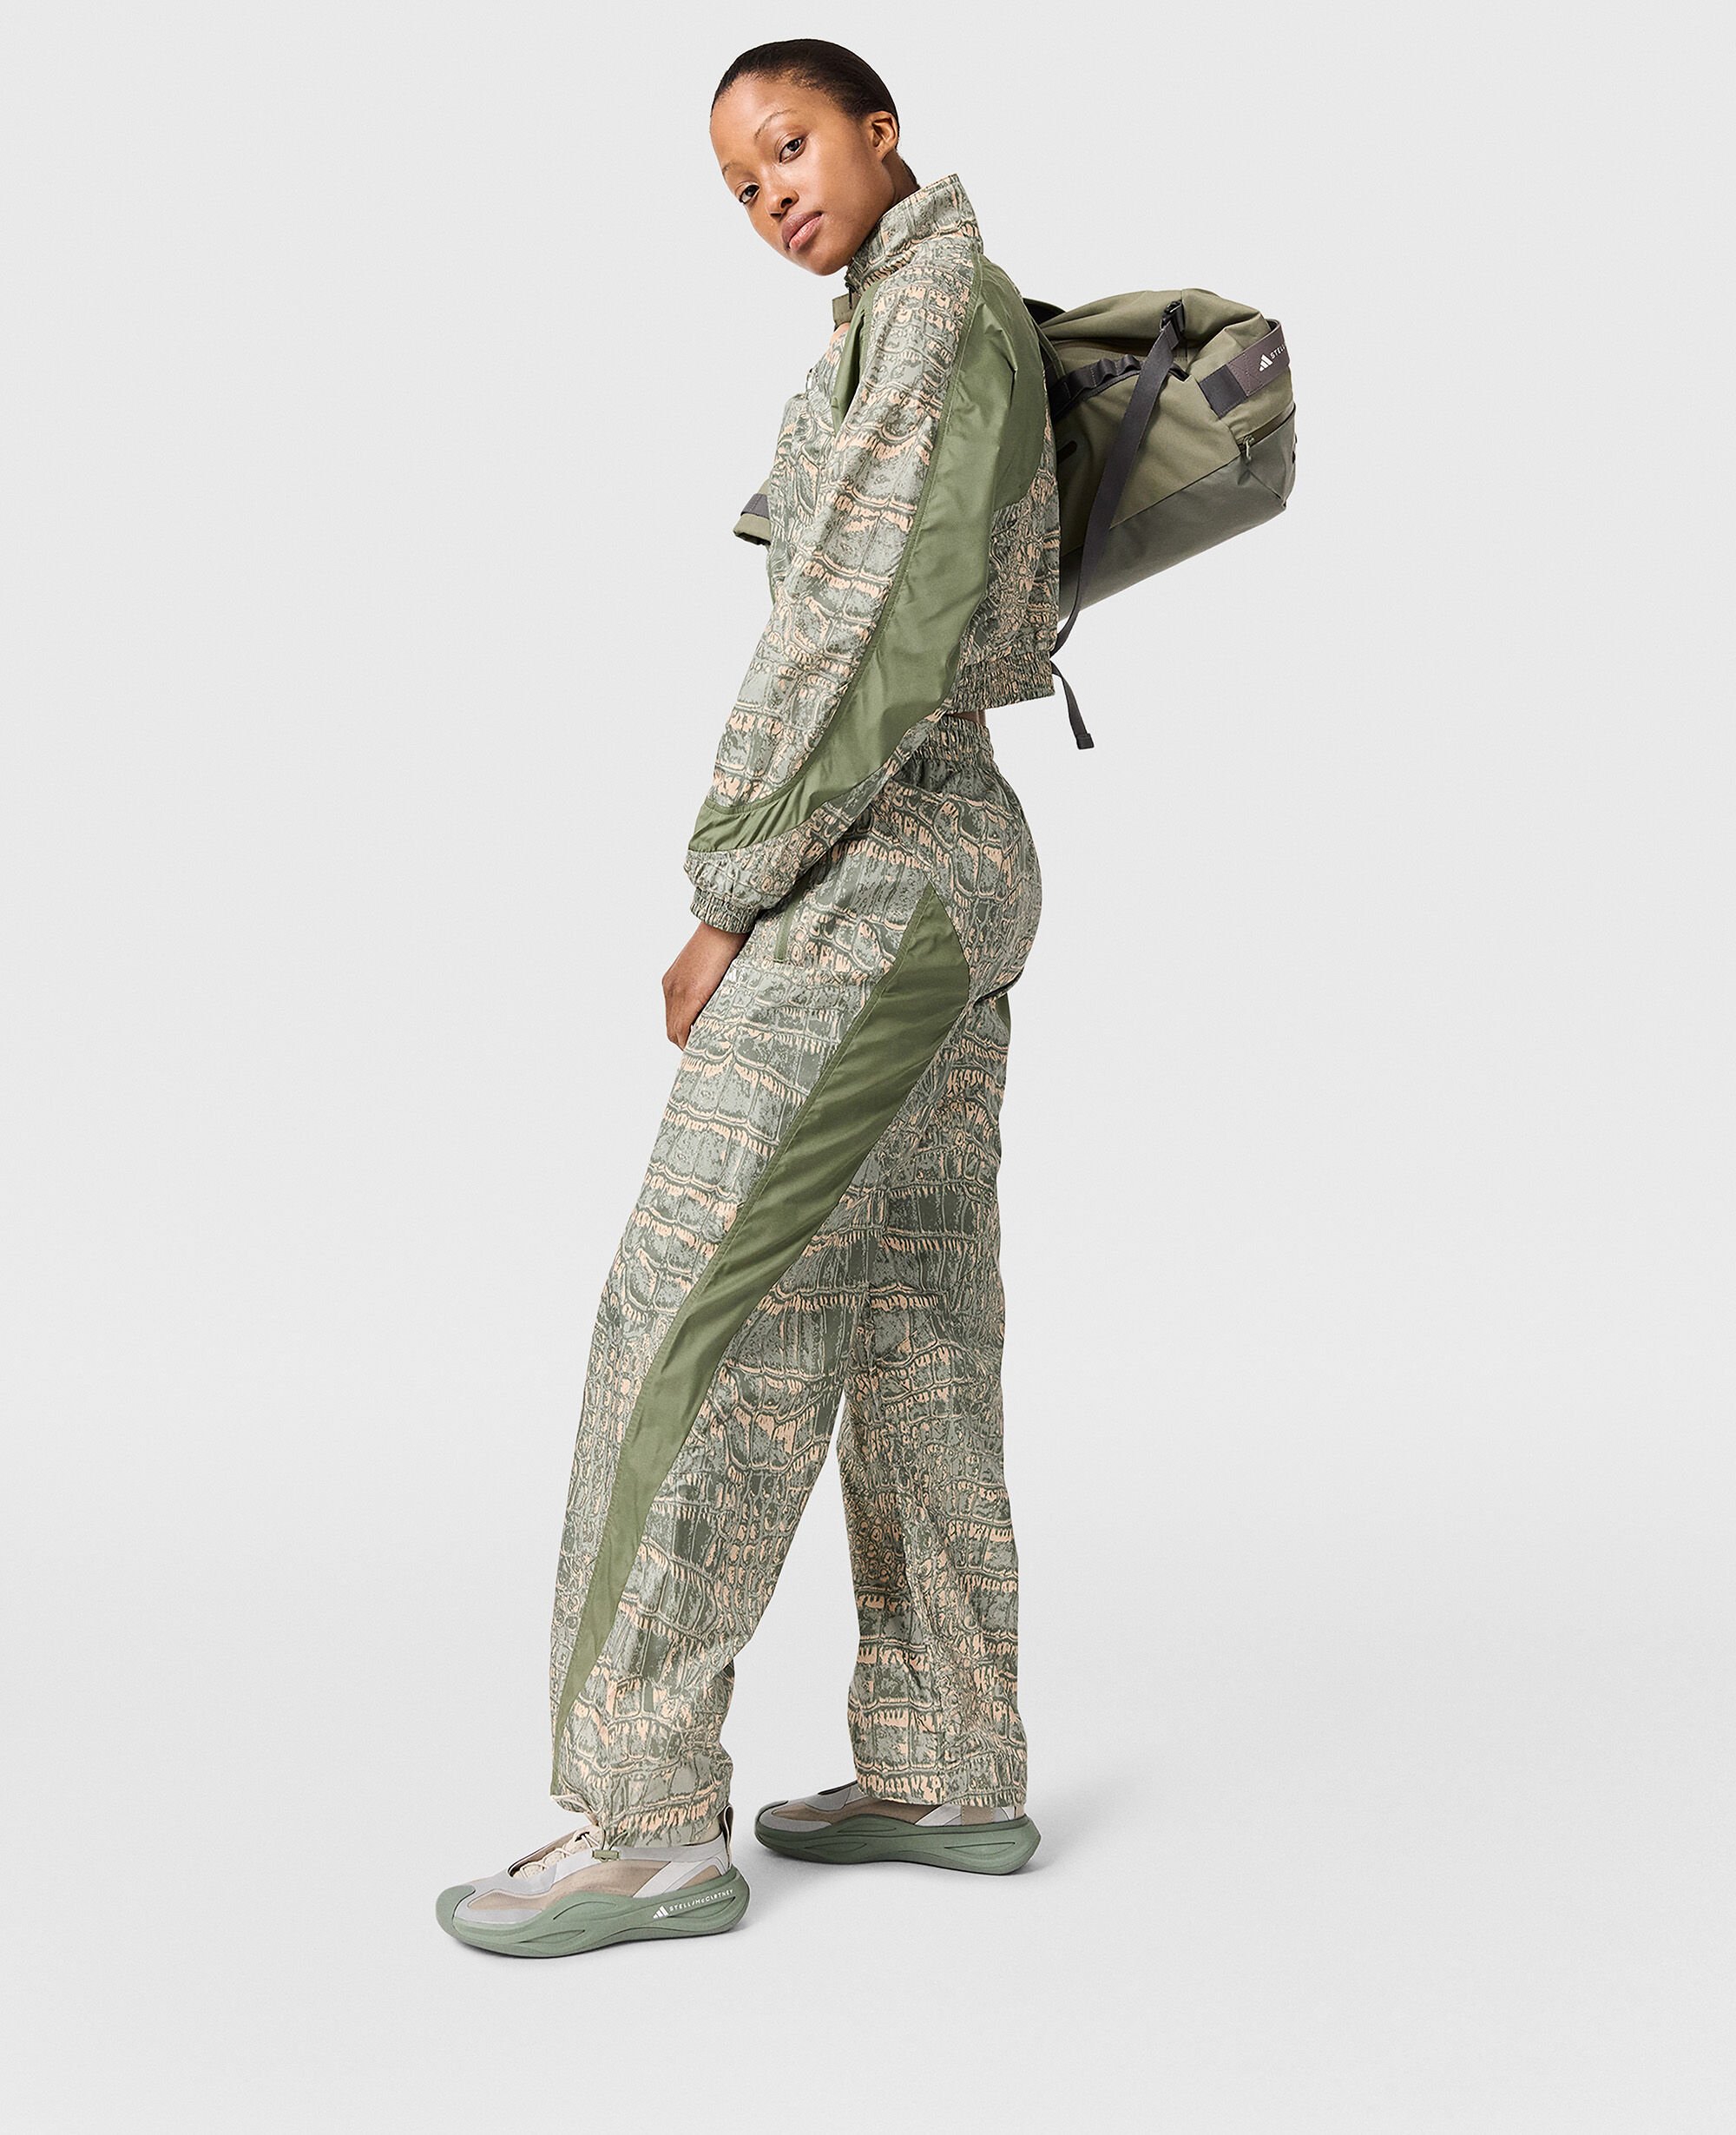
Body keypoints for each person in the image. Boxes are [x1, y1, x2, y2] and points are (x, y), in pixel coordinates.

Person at [437, 37, 1061, 1959]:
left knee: (693, 1309)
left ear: (880, 130)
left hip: (875, 876)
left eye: (789, 146)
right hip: (951, 859)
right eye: (738, 181)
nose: (771, 192)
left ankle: (643, 1822)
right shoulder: (906, 315)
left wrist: (728, 891)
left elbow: (857, 635)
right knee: (913, 1314)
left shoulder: (933, 313)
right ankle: (946, 1765)